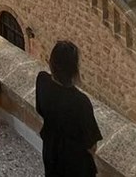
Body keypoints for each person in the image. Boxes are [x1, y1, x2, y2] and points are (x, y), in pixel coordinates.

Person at [36, 41, 103, 177]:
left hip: (51, 151)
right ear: (74, 70)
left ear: (51, 62)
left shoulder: (42, 80)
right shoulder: (80, 102)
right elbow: (91, 145)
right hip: (75, 164)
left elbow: (40, 110)